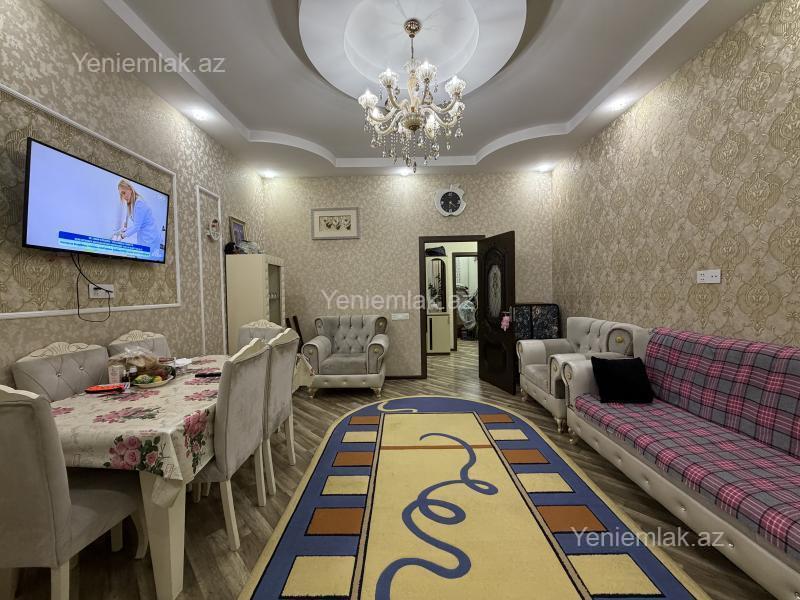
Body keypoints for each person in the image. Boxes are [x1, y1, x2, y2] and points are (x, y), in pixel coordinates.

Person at [112, 179, 161, 258]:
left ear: (130, 189)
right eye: (121, 195)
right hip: (145, 238)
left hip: (150, 238)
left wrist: (122, 236)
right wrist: (123, 231)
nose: (123, 197)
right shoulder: (133, 203)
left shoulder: (139, 203)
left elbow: (136, 227)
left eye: (124, 193)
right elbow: (136, 224)